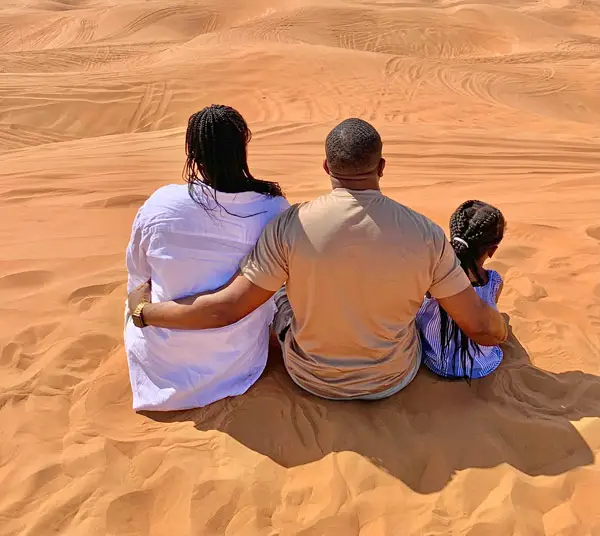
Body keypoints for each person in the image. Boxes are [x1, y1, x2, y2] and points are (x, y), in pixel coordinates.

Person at [129, 118, 508, 401]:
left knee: (278, 293)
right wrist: (503, 329)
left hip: (309, 377)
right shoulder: (426, 234)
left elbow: (225, 309)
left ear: (327, 168)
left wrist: (144, 311)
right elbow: (480, 327)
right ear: (381, 167)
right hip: (392, 379)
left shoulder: (291, 226)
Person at [125, 104, 288, 411]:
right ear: (242, 148)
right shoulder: (271, 207)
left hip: (158, 366)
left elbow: (137, 274)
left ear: (194, 154)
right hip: (238, 364)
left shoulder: (161, 203)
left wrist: (142, 309)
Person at [416, 200, 505, 380]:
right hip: (482, 365)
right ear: (493, 250)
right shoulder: (493, 280)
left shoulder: (431, 275)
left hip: (434, 360)